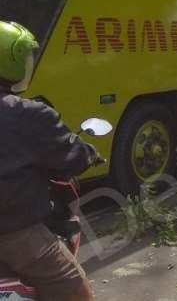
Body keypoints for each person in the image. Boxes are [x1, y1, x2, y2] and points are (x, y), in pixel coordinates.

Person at [0, 21, 99, 301]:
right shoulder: (29, 114)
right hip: (15, 233)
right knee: (74, 287)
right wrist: (89, 154)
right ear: (13, 60)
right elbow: (72, 157)